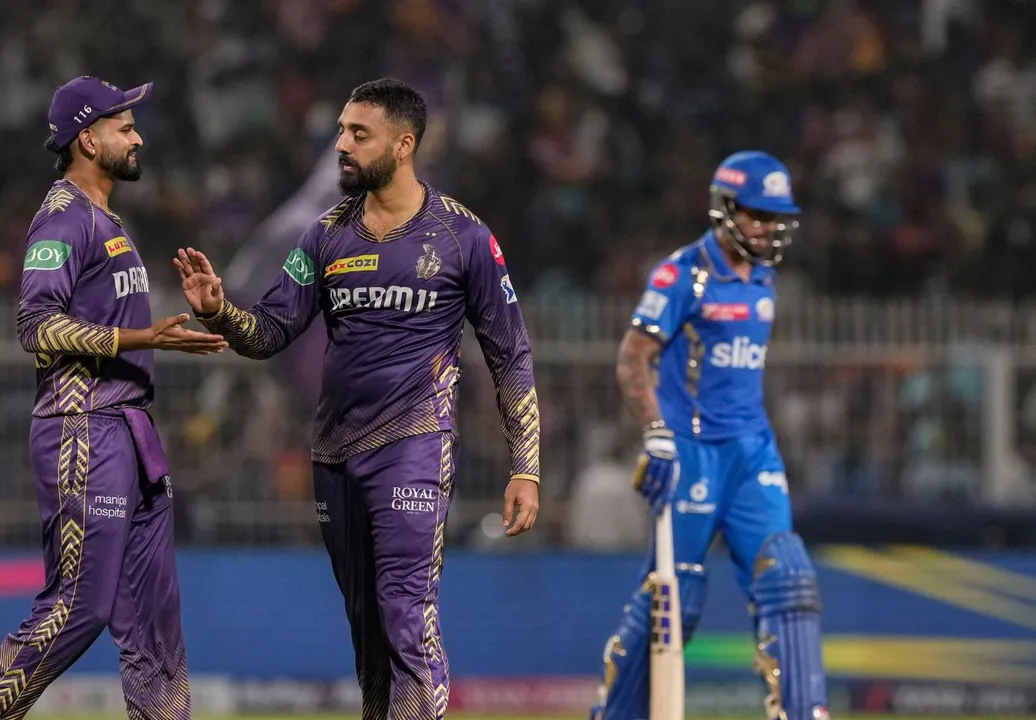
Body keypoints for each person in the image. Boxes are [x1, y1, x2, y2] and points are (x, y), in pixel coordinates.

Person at [175, 78, 541, 720]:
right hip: (335, 456)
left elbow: (509, 352)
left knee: (406, 609)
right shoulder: (322, 237)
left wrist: (525, 466)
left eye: (357, 134)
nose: (340, 145)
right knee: (369, 629)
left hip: (415, 449)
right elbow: (270, 334)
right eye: (341, 130)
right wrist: (221, 312)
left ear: (403, 145)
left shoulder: (463, 237)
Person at [0, 76, 227, 720]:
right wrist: (142, 336)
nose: (139, 138)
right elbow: (36, 325)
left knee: (155, 626)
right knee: (78, 606)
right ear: (88, 137)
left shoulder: (105, 219)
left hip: (131, 434)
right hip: (83, 428)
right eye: (125, 127)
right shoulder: (63, 218)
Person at [590, 151, 829, 720]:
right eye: (757, 216)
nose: (768, 228)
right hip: (692, 453)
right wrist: (656, 434)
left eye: (776, 218)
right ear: (724, 210)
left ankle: (804, 713)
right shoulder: (681, 275)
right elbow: (632, 359)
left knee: (788, 576)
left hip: (752, 452)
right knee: (675, 599)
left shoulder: (766, 276)